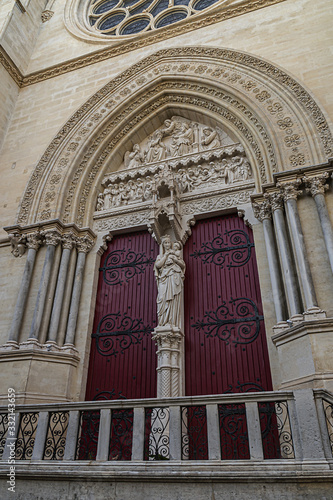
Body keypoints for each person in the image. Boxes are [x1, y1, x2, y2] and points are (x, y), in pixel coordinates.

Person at [154, 237, 185, 328]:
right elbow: (158, 265)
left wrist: (174, 260)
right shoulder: (160, 256)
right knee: (162, 298)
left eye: (168, 243)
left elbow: (182, 265)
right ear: (163, 245)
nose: (167, 245)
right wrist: (166, 256)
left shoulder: (175, 254)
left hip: (173, 277)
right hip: (163, 279)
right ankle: (163, 322)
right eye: (165, 243)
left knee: (172, 299)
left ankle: (171, 322)